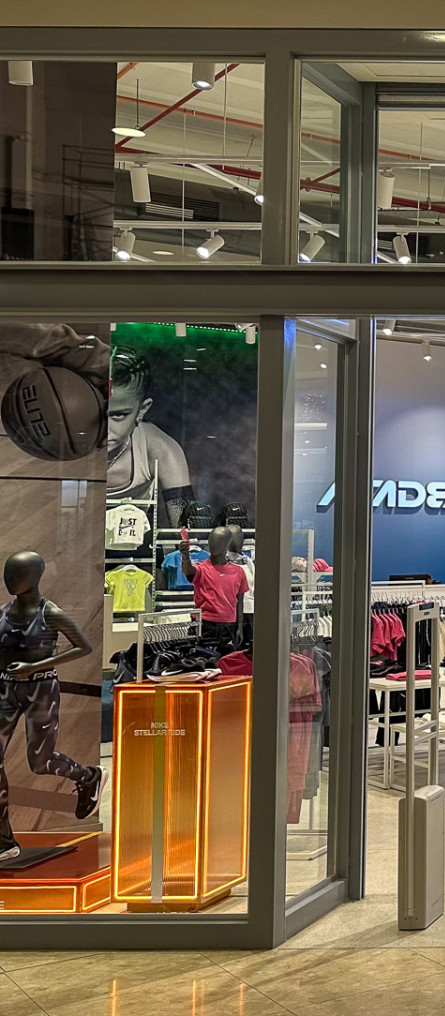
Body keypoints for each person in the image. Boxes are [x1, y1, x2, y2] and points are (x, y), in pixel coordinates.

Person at [0, 551, 103, 861]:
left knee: (40, 761)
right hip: (5, 688)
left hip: (41, 688)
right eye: (8, 573)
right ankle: (4, 839)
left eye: (17, 574)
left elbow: (83, 647)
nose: (9, 580)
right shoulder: (3, 612)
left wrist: (35, 666)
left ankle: (87, 776)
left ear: (35, 577)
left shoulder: (51, 613)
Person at [104, 348, 194, 523]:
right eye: (92, 412)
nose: (104, 428)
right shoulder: (58, 443)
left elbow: (185, 530)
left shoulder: (161, 449)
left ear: (142, 410)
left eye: (118, 415)